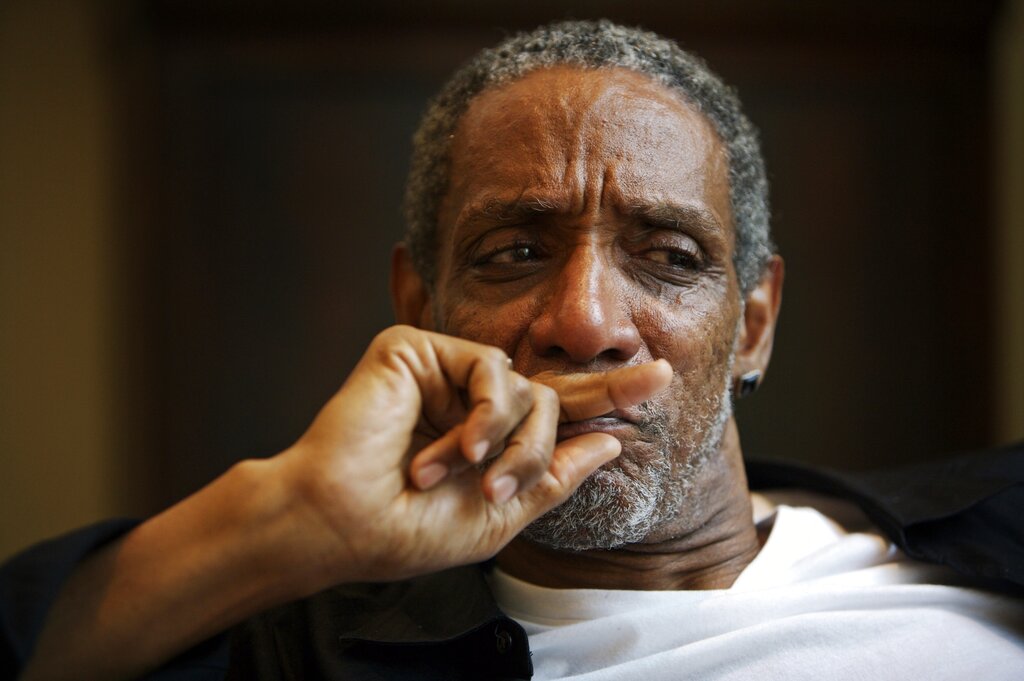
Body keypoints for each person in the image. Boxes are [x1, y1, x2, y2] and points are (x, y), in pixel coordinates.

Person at [3, 19, 1023, 681]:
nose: (584, 321)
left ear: (751, 322)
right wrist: (291, 520)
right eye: (515, 252)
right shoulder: (285, 657)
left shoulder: (997, 529)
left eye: (667, 257)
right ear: (420, 306)